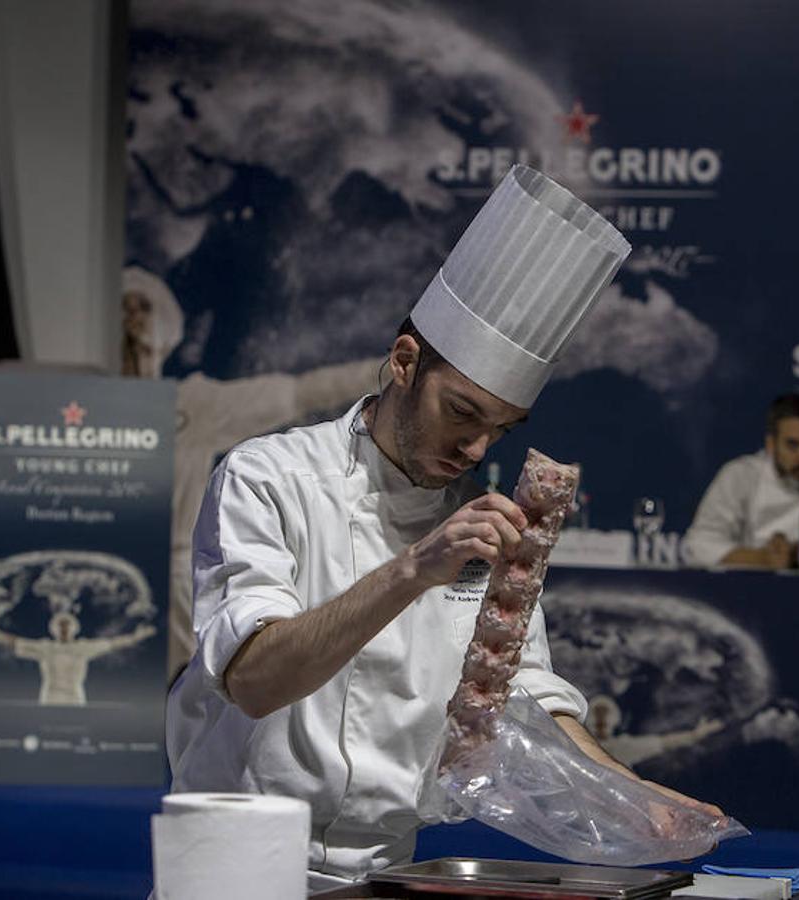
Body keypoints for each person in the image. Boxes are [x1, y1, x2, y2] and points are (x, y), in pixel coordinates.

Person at [165, 165, 722, 886]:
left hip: (387, 871)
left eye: (501, 428)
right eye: (461, 413)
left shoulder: (484, 535)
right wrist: (412, 570)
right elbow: (254, 681)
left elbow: (526, 698)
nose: (475, 450)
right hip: (233, 864)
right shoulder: (268, 479)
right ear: (403, 364)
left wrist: (634, 794)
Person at [121, 266, 384, 681]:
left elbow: (302, 392)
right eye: (123, 309)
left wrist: (394, 370)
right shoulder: (76, 412)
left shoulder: (192, 407)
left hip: (173, 592)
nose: (131, 323)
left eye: (141, 309)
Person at [683, 393, 799, 568]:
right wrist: (762, 559)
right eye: (793, 445)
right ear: (771, 444)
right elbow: (698, 545)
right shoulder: (739, 476)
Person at [0, 612, 156, 706]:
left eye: (67, 624)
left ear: (75, 628)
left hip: (75, 697)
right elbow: (14, 641)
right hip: (50, 697)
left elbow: (112, 644)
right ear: (53, 629)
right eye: (60, 625)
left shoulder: (83, 648)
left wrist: (136, 637)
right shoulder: (45, 648)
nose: (64, 628)